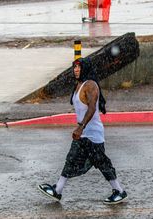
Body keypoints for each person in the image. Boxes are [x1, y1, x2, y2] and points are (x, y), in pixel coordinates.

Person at [37, 57, 128, 204]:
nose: (76, 70)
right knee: (71, 159)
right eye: (74, 67)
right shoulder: (78, 85)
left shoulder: (90, 85)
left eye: (79, 67)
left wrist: (81, 126)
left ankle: (119, 191)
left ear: (85, 68)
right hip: (83, 133)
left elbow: (92, 107)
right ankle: (58, 190)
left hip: (93, 134)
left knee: (102, 163)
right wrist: (81, 129)